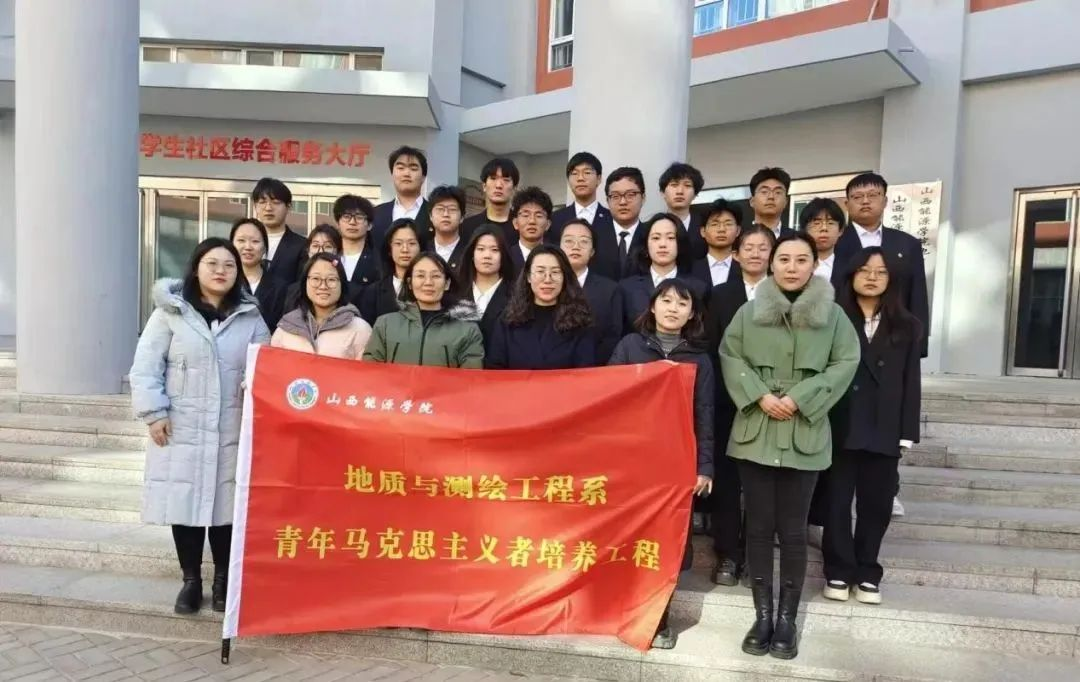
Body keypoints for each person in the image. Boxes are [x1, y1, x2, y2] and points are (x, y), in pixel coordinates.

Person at [719, 233, 859, 660]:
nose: (792, 267)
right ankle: (762, 616)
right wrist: (759, 395)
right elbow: (730, 355)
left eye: (801, 259)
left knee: (794, 531)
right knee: (759, 528)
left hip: (805, 430)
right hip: (756, 429)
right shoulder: (748, 312)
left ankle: (787, 620)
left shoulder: (834, 316)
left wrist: (801, 398)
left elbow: (845, 362)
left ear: (815, 264)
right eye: (784, 259)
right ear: (771, 263)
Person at [129, 238, 270, 615]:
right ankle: (191, 580)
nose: (221, 271)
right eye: (212, 263)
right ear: (196, 268)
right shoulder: (170, 313)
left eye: (229, 265)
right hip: (182, 427)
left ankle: (223, 580)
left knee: (227, 507)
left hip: (231, 427)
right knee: (185, 502)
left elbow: (266, 365)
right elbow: (146, 367)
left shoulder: (250, 317)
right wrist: (154, 412)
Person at [608, 279, 714, 649]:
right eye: (666, 301)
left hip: (675, 462)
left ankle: (659, 618)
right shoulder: (629, 346)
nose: (673, 308)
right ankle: (625, 610)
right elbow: (607, 397)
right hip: (632, 460)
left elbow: (704, 414)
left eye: (682, 303)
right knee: (630, 537)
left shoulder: (699, 358)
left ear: (692, 313)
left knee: (665, 542)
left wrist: (705, 466)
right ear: (652, 306)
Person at [822, 247, 921, 606]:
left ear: (891, 279)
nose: (872, 277)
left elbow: (911, 381)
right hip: (840, 423)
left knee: (876, 505)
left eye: (880, 271)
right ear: (851, 275)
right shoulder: (832, 318)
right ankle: (837, 570)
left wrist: (907, 431)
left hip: (884, 425)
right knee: (836, 502)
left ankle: (867, 571)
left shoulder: (907, 325)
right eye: (864, 270)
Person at [703, 225, 777, 586]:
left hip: (773, 403)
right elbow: (712, 348)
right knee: (728, 483)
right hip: (728, 401)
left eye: (764, 248)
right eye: (748, 247)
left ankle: (755, 554)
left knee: (763, 485)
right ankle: (728, 555)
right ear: (735, 254)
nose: (756, 253)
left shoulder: (787, 296)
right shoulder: (719, 295)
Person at [835, 172, 930, 359]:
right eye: (857, 197)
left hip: (895, 337)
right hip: (844, 336)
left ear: (885, 201)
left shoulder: (908, 244)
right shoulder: (834, 241)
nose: (865, 201)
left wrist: (919, 345)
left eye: (872, 195)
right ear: (846, 204)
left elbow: (917, 295)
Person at [362, 253, 484, 368]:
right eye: (420, 276)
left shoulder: (467, 330)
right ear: (409, 283)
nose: (428, 283)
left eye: (436, 276)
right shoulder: (385, 325)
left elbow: (471, 378)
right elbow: (371, 372)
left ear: (447, 283)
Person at [485, 246, 596, 369]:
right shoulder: (508, 320)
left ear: (564, 277)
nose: (547, 280)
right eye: (540, 271)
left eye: (555, 272)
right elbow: (495, 370)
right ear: (528, 276)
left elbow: (585, 373)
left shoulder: (579, 321)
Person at [271, 253, 372, 359]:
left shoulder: (359, 329)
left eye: (331, 279)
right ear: (305, 282)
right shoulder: (287, 326)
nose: (323, 286)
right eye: (316, 278)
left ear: (342, 284)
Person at [618, 213, 708, 331]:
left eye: (670, 238)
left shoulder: (698, 288)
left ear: (680, 244)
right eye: (656, 238)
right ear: (646, 245)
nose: (663, 244)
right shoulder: (626, 288)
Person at [559, 219, 623, 363]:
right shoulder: (546, 286)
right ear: (559, 248)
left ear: (592, 251)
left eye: (583, 241)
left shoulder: (610, 290)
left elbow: (613, 336)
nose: (576, 247)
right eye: (569, 241)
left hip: (595, 367)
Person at [457, 225, 515, 347]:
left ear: (503, 255)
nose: (487, 255)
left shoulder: (515, 295)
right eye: (481, 249)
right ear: (472, 254)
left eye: (495, 250)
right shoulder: (456, 292)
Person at [359, 218, 423, 325]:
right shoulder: (373, 292)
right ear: (389, 249)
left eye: (411, 243)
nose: (405, 249)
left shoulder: (429, 287)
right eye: (398, 243)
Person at [230, 217, 286, 332]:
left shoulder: (281, 288)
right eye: (241, 240)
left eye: (255, 241)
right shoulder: (224, 282)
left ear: (265, 248)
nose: (248, 247)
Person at [593, 167, 648, 281]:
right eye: (615, 196)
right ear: (607, 201)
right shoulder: (594, 236)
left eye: (630, 195)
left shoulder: (651, 236)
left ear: (643, 198)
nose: (623, 202)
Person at [546, 151, 611, 245]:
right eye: (574, 173)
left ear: (599, 179)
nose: (580, 178)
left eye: (587, 172)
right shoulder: (555, 219)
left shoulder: (612, 218)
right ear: (568, 181)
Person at [372, 146, 430, 245]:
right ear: (392, 174)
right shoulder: (375, 214)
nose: (406, 173)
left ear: (423, 177)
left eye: (413, 169)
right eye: (400, 168)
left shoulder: (435, 213)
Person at [253, 177, 306, 283]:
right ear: (255, 206)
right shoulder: (243, 243)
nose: (268, 208)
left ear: (288, 207)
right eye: (262, 202)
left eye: (275, 202)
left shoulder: (302, 246)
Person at [283, 224, 344, 311]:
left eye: (328, 246)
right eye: (315, 246)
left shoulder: (350, 290)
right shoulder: (293, 291)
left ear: (338, 253)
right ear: (308, 251)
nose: (320, 251)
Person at [461, 157, 520, 245]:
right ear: (484, 186)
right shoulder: (467, 226)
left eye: (506, 180)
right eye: (493, 178)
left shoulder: (522, 227)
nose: (499, 185)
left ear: (514, 189)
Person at [334, 194, 380, 307]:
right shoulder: (329, 258)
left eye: (359, 217)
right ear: (338, 223)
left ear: (369, 225)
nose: (352, 222)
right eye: (346, 216)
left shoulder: (378, 262)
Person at [690, 198, 743, 288]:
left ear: (738, 231)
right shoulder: (690, 270)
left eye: (728, 224)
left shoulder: (745, 268)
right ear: (703, 231)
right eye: (714, 224)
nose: (721, 229)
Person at [660, 162, 707, 260]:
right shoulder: (650, 228)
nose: (680, 191)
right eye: (674, 185)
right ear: (663, 193)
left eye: (687, 185)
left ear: (695, 194)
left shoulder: (706, 227)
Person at [801, 197, 846, 288]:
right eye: (817, 223)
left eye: (830, 223)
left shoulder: (851, 266)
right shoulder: (794, 265)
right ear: (805, 230)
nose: (824, 228)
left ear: (840, 231)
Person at [508, 186, 553, 275]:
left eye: (539, 216)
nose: (532, 221)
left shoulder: (556, 257)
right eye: (525, 215)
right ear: (515, 223)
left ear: (548, 224)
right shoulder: (505, 257)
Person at [428, 185, 468, 272]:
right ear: (431, 216)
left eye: (452, 209)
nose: (446, 214)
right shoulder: (422, 250)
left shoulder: (470, 252)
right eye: (440, 209)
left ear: (462, 217)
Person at [748, 168, 796, 240]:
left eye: (778, 192)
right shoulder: (737, 238)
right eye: (764, 192)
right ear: (752, 201)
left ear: (786, 202)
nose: (771, 197)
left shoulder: (796, 239)